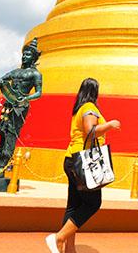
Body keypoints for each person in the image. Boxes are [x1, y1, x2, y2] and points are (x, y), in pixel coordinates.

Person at [45, 77, 121, 253]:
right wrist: (110, 124)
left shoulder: (78, 108)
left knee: (74, 205)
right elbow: (90, 131)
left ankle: (69, 249)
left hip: (72, 158)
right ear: (95, 92)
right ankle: (59, 238)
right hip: (84, 161)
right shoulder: (89, 108)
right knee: (93, 203)